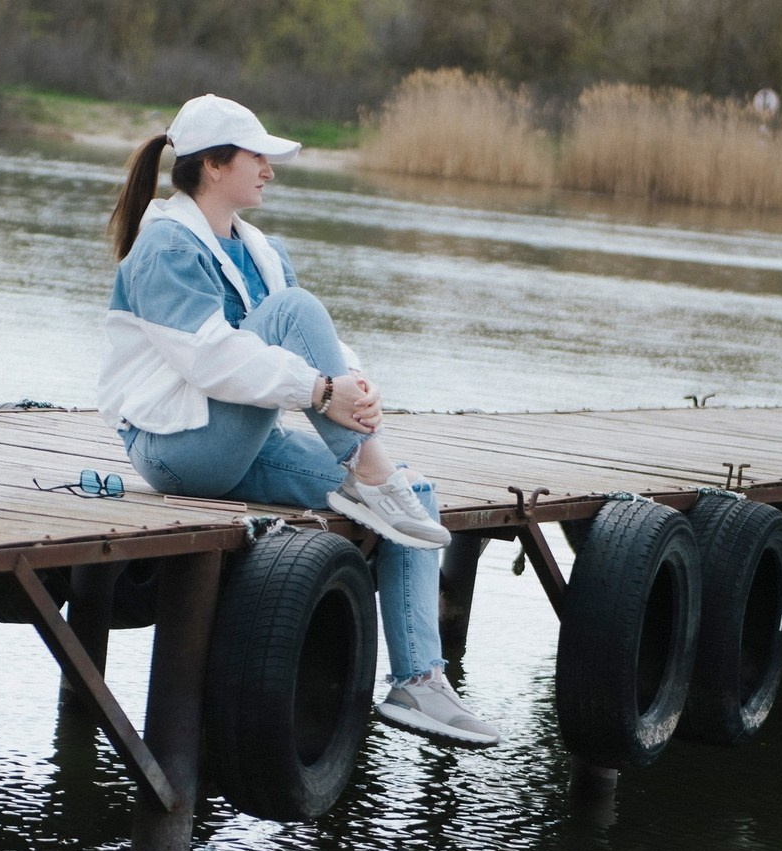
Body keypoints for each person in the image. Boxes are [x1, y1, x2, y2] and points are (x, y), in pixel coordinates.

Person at [97, 94, 499, 747]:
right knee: (292, 315)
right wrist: (320, 390)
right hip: (175, 446)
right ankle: (368, 467)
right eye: (258, 157)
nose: (269, 169)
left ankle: (418, 682)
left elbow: (321, 351)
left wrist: (357, 391)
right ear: (215, 166)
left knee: (415, 499)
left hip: (237, 441)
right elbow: (212, 359)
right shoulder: (163, 247)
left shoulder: (263, 251)